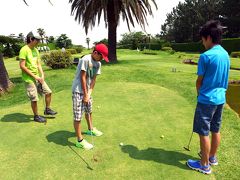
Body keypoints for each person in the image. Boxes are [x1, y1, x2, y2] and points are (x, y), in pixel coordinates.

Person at [186, 20, 230, 174]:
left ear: (209, 38)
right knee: (215, 129)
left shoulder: (206, 56)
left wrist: (199, 96)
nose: (202, 43)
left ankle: (204, 165)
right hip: (220, 99)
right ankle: (212, 157)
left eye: (203, 39)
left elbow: (199, 82)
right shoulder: (225, 54)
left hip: (206, 100)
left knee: (203, 132)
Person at [72, 43, 109, 150]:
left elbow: (93, 80)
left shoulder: (98, 64)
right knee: (78, 116)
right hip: (78, 91)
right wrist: (84, 94)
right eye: (101, 56)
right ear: (95, 52)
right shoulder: (85, 59)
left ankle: (90, 128)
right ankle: (79, 140)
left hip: (87, 91)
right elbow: (83, 77)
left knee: (89, 110)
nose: (101, 59)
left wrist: (88, 94)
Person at [19, 31, 57, 123]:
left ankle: (47, 109)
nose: (39, 42)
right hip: (29, 79)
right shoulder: (24, 50)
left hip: (38, 77)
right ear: (31, 39)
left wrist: (42, 75)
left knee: (48, 92)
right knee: (34, 98)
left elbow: (38, 64)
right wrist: (35, 77)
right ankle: (36, 116)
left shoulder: (35, 50)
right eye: (37, 40)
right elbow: (22, 66)